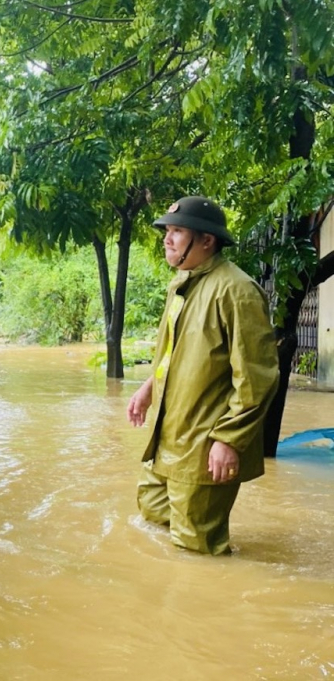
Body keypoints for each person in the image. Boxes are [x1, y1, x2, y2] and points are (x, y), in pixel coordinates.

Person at [127, 196, 279, 555]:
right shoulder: (182, 284)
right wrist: (148, 388)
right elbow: (173, 352)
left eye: (177, 232)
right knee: (151, 511)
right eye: (167, 231)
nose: (167, 239)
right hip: (169, 434)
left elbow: (257, 378)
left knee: (197, 547)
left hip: (205, 442)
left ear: (207, 241)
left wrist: (229, 440)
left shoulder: (237, 291)